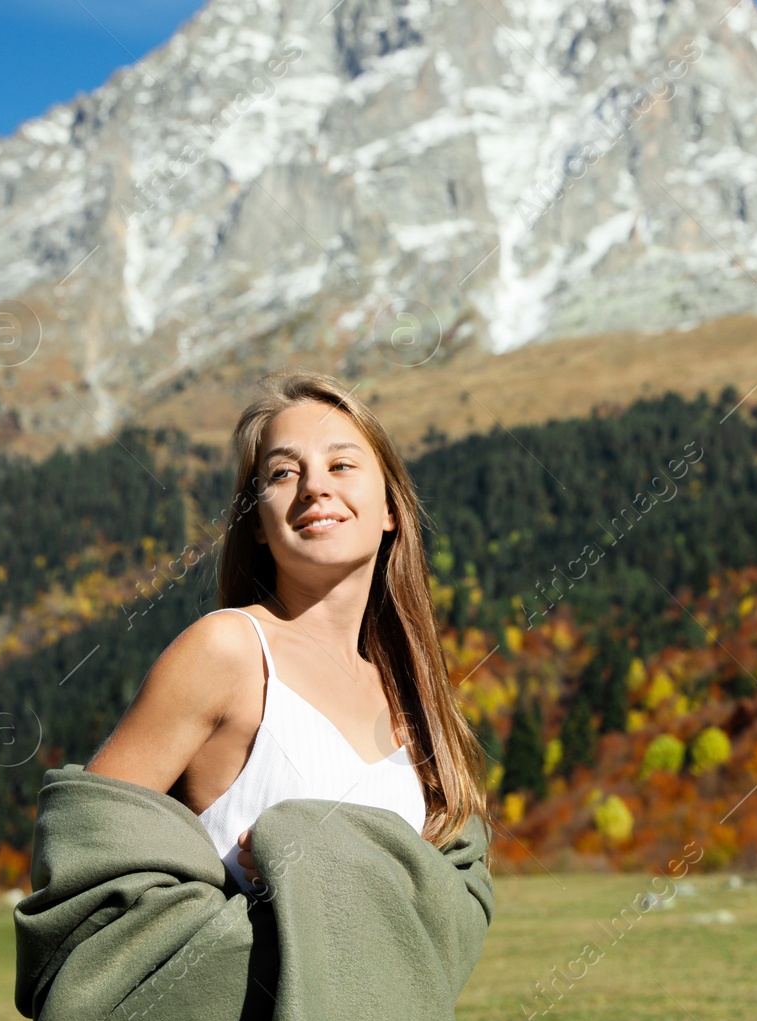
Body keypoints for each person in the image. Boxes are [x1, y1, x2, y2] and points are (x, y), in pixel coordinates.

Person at [85, 370, 486, 893]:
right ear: (256, 521)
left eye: (341, 465)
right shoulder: (228, 650)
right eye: (281, 474)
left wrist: (335, 860)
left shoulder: (408, 694)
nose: (315, 486)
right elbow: (83, 851)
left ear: (390, 507)